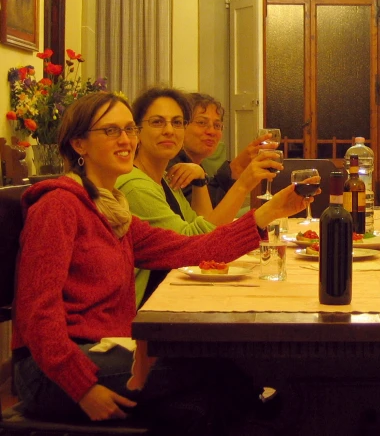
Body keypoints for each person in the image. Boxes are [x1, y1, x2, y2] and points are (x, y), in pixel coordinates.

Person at [12, 92, 309, 434]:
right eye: (110, 131)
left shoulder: (112, 210)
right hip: (53, 370)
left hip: (108, 350)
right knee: (220, 367)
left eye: (128, 130)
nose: (125, 140)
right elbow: (37, 314)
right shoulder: (59, 207)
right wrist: (82, 388)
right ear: (79, 144)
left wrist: (267, 214)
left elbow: (191, 249)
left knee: (213, 391)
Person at [117, 88, 280, 307]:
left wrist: (201, 179)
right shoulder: (136, 186)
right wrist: (244, 184)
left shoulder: (165, 178)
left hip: (171, 294)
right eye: (157, 122)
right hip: (144, 309)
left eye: (177, 123)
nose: (169, 130)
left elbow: (202, 226)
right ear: (136, 131)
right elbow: (193, 246)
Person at [169, 92, 269, 207]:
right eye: (202, 122)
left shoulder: (195, 165)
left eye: (217, 125)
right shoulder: (172, 167)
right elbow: (202, 218)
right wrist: (237, 169)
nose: (211, 131)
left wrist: (236, 169)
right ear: (180, 125)